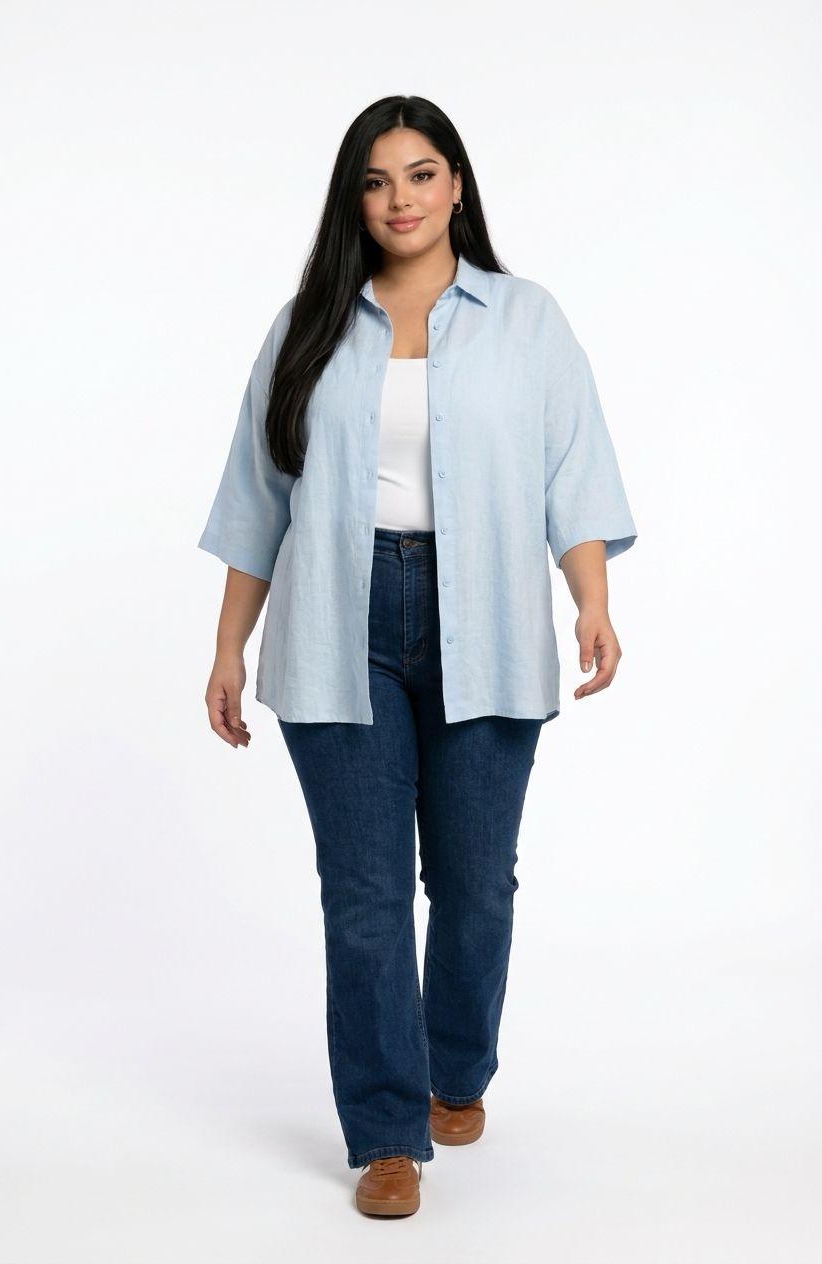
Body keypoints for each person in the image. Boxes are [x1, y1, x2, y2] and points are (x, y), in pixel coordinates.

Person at [198, 94, 638, 1218]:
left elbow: (573, 471)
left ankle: (456, 1067)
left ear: (456, 185)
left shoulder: (525, 320)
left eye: (421, 173)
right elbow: (258, 498)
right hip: (334, 623)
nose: (400, 198)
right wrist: (228, 648)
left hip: (484, 613)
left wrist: (590, 601)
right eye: (376, 179)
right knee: (365, 893)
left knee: (476, 885)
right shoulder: (307, 325)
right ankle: (387, 1133)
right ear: (354, 199)